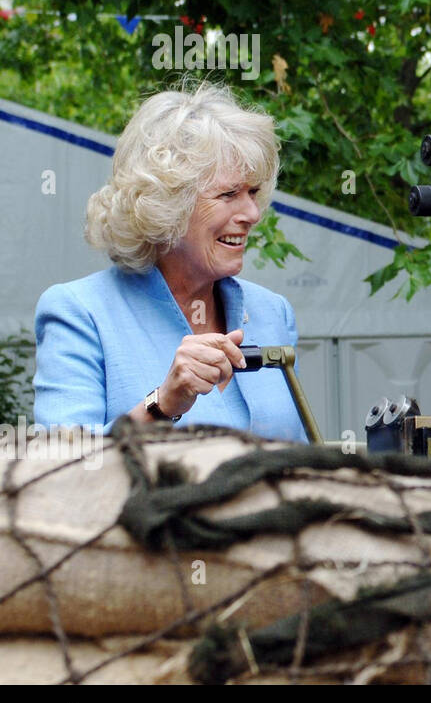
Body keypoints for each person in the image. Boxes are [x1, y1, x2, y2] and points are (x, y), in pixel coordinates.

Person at [34, 82, 307, 440]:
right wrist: (161, 405)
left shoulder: (273, 312)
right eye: (228, 194)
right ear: (166, 206)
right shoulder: (80, 312)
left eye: (253, 192)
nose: (252, 213)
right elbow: (61, 471)